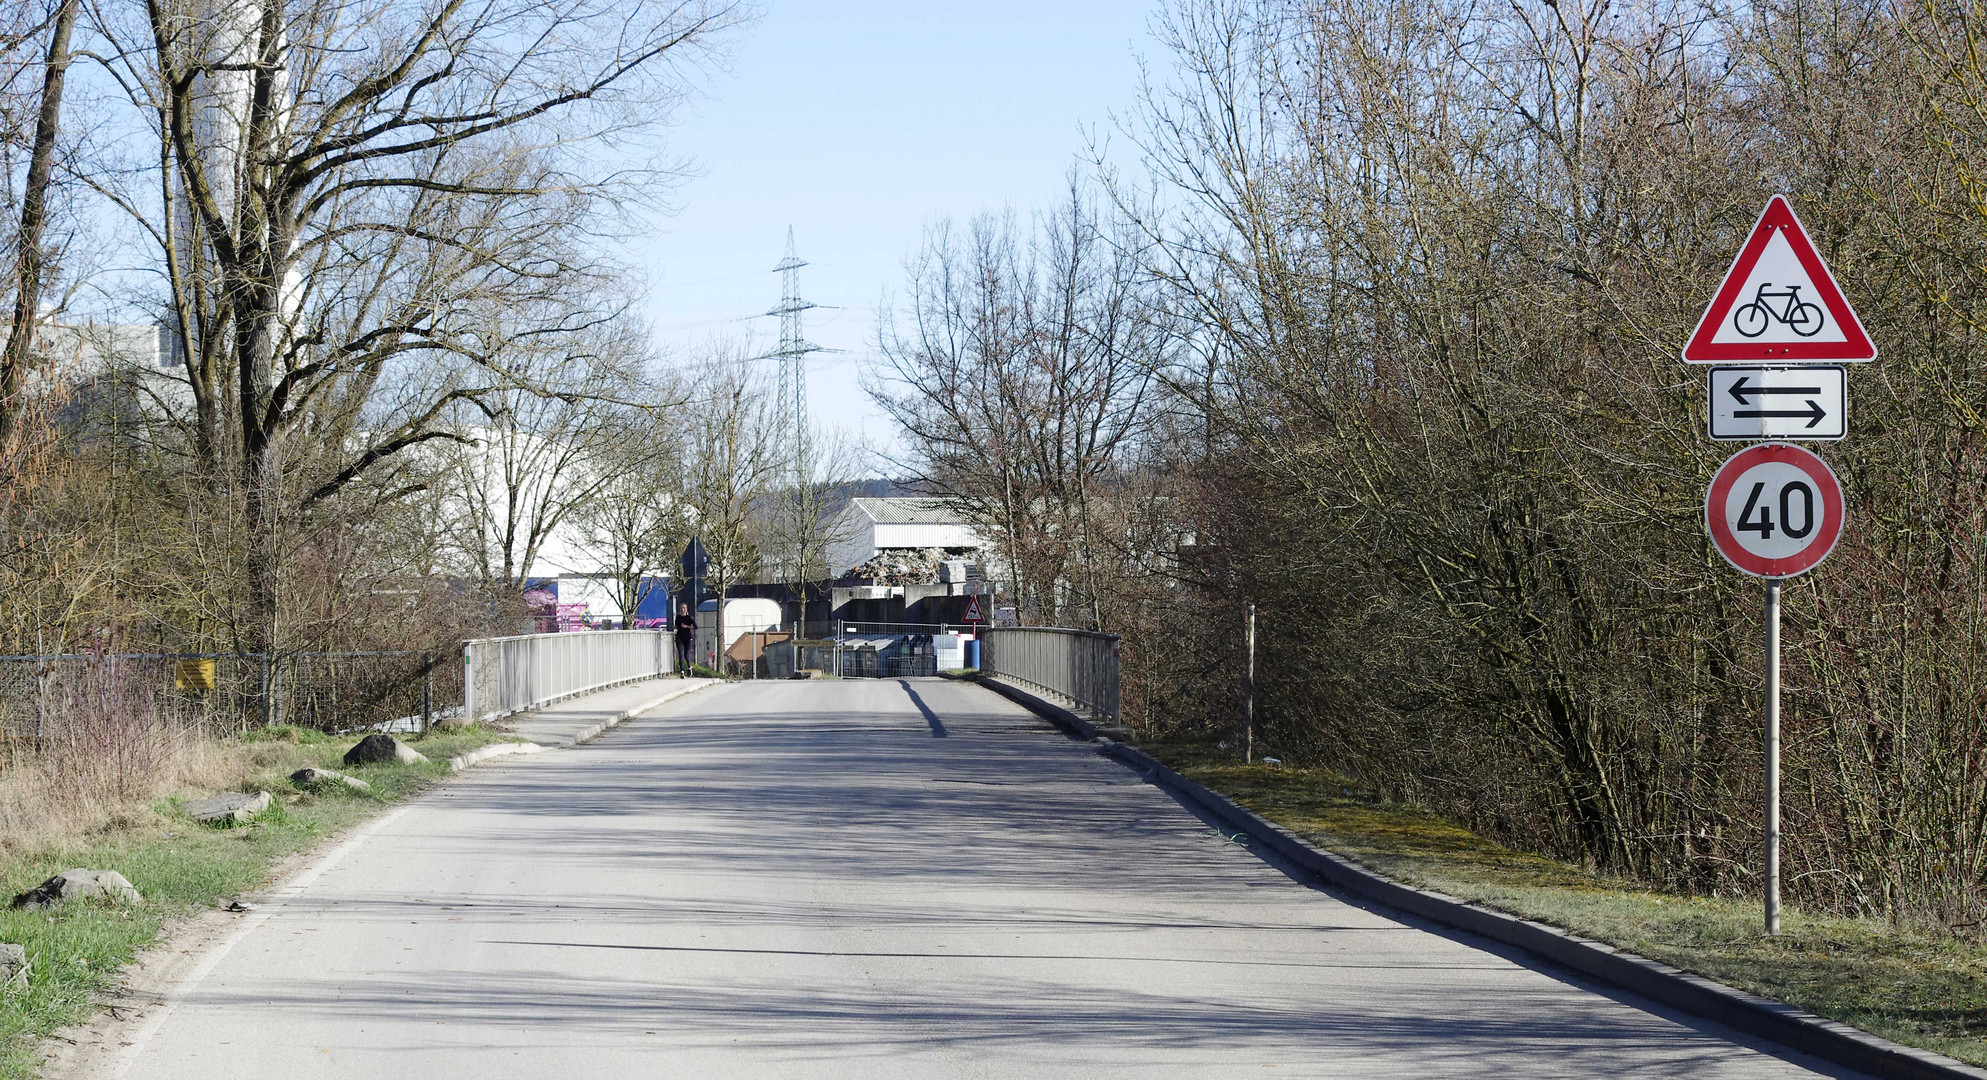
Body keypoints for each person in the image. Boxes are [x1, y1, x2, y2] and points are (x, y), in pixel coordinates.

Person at [674, 603, 697, 676]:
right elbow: (677, 625)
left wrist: (687, 626)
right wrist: (674, 627)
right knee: (681, 655)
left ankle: (689, 667)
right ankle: (682, 672)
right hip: (679, 637)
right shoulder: (678, 617)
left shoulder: (689, 618)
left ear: (686, 609)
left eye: (684, 608)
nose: (682, 609)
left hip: (688, 638)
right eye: (681, 608)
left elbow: (695, 627)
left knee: (687, 655)